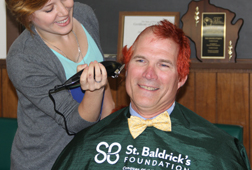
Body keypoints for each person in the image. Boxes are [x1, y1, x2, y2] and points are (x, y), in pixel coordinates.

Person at [52, 20, 251, 169]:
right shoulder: (87, 144)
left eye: (163, 64)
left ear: (181, 78)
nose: (149, 74)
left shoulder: (217, 151)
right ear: (126, 69)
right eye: (140, 60)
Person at [3, 0, 115, 169]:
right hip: (46, 162)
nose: (64, 12)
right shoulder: (24, 59)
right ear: (26, 15)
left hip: (88, 156)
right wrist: (93, 90)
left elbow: (106, 98)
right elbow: (76, 122)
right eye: (48, 9)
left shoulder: (85, 15)